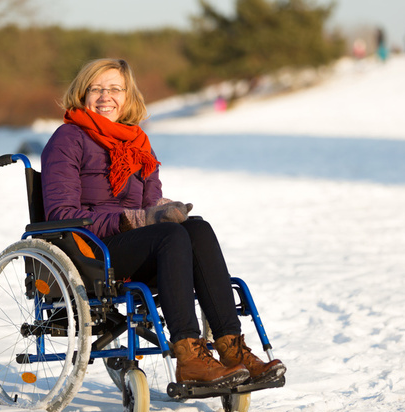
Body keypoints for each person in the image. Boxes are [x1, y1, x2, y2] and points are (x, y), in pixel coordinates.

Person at [40, 58, 285, 389]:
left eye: (115, 89)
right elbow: (61, 215)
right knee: (170, 236)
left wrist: (162, 209)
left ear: (128, 96)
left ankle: (232, 350)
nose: (105, 96)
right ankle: (189, 357)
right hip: (90, 249)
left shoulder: (137, 142)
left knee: (196, 228)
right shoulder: (68, 139)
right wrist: (131, 220)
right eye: (96, 88)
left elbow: (149, 200)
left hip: (138, 244)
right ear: (82, 94)